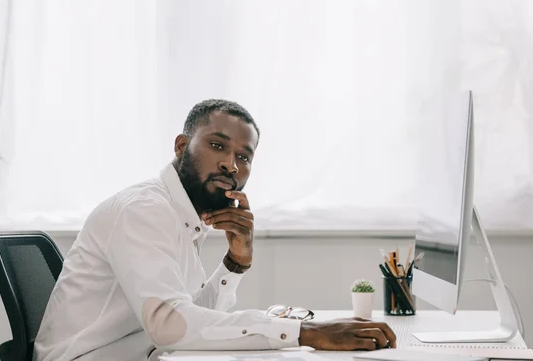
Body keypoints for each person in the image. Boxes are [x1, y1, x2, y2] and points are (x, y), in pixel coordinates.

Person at [34, 99, 396, 361]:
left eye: (244, 156)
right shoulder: (145, 210)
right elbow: (169, 326)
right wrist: (307, 333)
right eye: (218, 145)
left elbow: (188, 319)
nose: (231, 164)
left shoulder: (181, 215)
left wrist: (235, 263)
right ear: (181, 147)